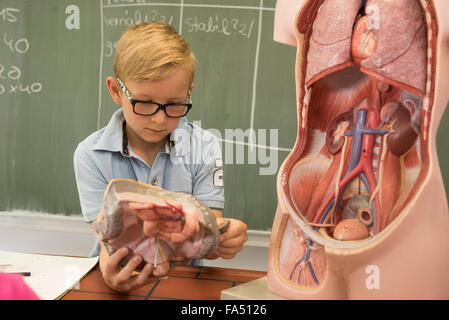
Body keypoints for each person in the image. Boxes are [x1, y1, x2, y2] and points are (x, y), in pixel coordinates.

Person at [73, 21, 248, 292]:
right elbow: (108, 235)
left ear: (189, 92)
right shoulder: (90, 154)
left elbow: (205, 237)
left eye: (175, 105)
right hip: (117, 276)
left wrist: (222, 240)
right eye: (144, 102)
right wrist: (110, 278)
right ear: (116, 91)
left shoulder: (206, 146)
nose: (159, 118)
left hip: (184, 284)